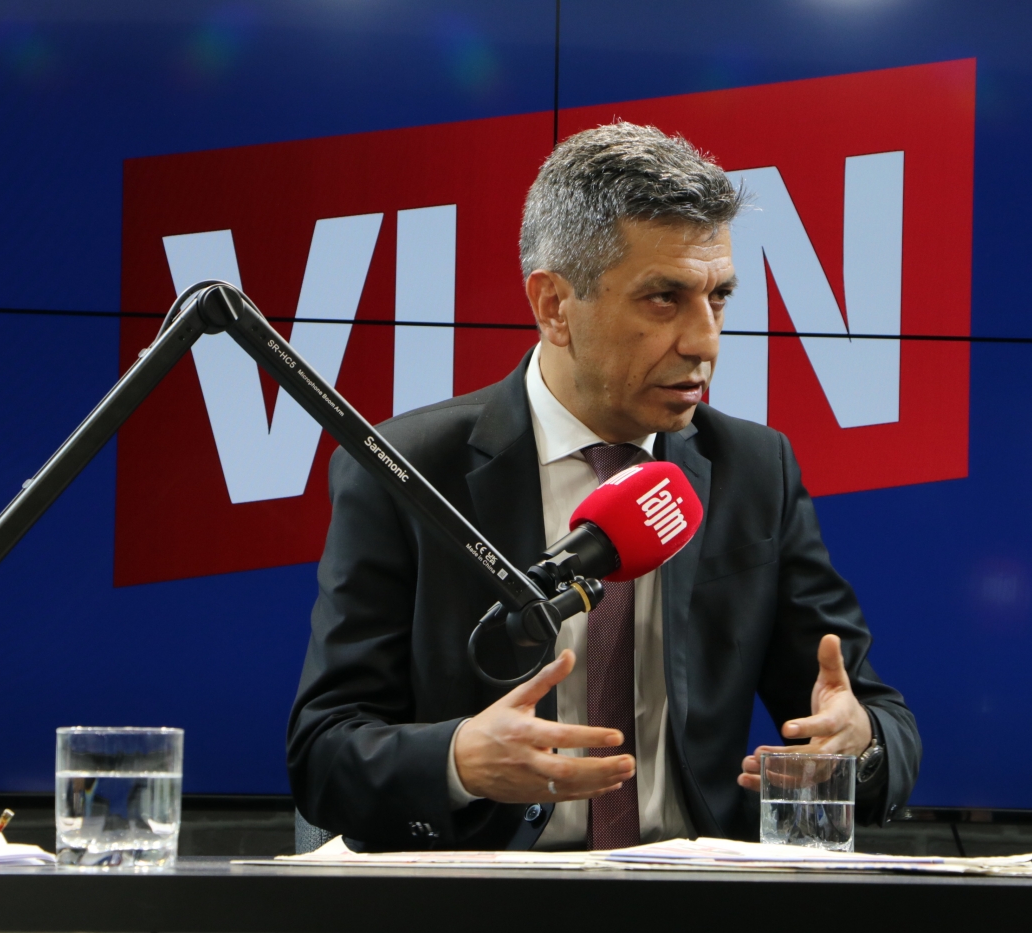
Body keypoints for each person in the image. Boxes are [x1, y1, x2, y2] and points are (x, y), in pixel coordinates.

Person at [286, 122, 920, 851]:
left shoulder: (753, 467)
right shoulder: (406, 469)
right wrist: (459, 760)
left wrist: (859, 741)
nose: (705, 341)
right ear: (554, 305)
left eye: (718, 297)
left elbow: (876, 717)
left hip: (690, 885)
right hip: (486, 889)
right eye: (664, 298)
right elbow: (323, 755)